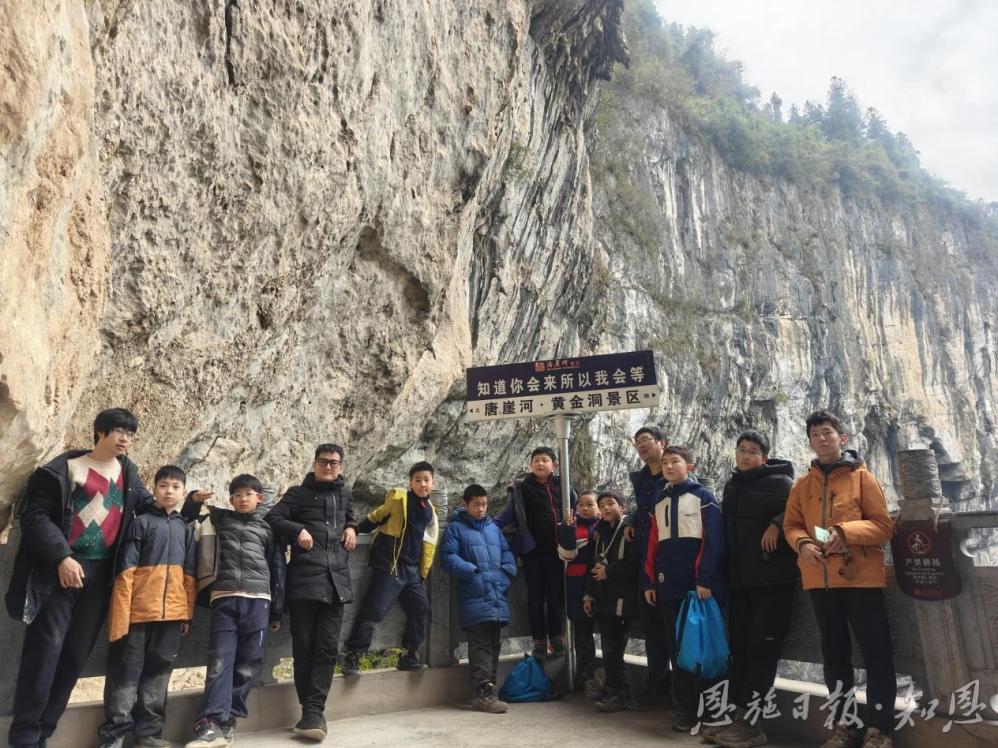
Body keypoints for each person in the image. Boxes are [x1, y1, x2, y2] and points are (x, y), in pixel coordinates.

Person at [5, 408, 157, 748]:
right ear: (100, 431)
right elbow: (36, 517)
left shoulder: (128, 473)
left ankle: (45, 732)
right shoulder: (64, 470)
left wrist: (187, 507)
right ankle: (25, 737)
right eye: (119, 431)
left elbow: (149, 507)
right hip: (60, 572)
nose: (125, 439)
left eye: (130, 434)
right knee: (45, 652)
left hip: (101, 577)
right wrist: (61, 556)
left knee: (75, 656)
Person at [783, 411, 896, 748]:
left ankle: (880, 730)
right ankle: (845, 726)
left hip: (860, 580)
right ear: (810, 442)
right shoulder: (802, 486)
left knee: (876, 654)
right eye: (815, 434)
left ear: (841, 438)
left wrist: (845, 532)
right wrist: (803, 544)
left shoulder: (863, 478)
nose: (822, 438)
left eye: (827, 432)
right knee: (834, 656)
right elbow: (791, 525)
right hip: (821, 581)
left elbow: (883, 526)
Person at [183, 473, 286, 748]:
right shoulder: (219, 520)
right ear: (230, 500)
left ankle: (228, 718)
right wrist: (193, 501)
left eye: (248, 494)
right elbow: (185, 521)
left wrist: (277, 610)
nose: (242, 499)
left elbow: (277, 567)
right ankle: (209, 723)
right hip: (225, 598)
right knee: (220, 660)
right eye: (237, 495)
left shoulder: (268, 528)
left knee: (250, 662)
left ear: (259, 498)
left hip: (259, 599)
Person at [97, 464, 197, 748]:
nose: (169, 491)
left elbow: (189, 576)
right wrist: (122, 614)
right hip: (138, 613)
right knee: (125, 673)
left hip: (171, 615)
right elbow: (125, 572)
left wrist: (186, 614)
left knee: (159, 674)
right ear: (154, 490)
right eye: (163, 485)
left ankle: (148, 735)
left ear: (183, 492)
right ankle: (114, 735)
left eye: (176, 487)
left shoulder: (184, 529)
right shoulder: (140, 523)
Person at [710, 430, 797, 748]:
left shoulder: (782, 482)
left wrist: (776, 523)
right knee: (741, 648)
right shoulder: (733, 486)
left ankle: (753, 724)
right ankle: (738, 716)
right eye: (741, 450)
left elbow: (800, 510)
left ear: (765, 457)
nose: (745, 456)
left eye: (753, 451)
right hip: (741, 581)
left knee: (762, 650)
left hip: (772, 581)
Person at [265, 444, 357, 742]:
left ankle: (314, 712)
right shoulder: (298, 494)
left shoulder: (345, 494)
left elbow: (351, 516)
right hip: (304, 584)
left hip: (336, 584)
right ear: (314, 464)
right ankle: (311, 712)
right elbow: (272, 518)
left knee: (327, 650)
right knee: (304, 649)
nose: (328, 467)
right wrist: (297, 530)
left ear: (341, 466)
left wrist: (352, 527)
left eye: (333, 462)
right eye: (323, 462)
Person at [643, 445, 725, 733]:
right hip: (668, 586)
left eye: (674, 461)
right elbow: (653, 544)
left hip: (697, 588)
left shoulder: (704, 498)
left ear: (689, 466)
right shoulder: (660, 500)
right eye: (665, 462)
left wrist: (705, 579)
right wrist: (650, 581)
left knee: (704, 647)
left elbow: (714, 541)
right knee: (677, 649)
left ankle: (712, 709)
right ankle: (686, 709)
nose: (668, 466)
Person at [342, 461, 440, 676]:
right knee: (374, 610)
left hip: (411, 570)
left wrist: (422, 570)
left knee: (420, 609)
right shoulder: (399, 499)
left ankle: (409, 655)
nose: (422, 484)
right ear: (410, 483)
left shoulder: (429, 510)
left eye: (426, 480)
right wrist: (353, 530)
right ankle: (353, 655)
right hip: (390, 565)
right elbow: (375, 517)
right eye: (418, 480)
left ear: (433, 483)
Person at [439, 484, 517, 713]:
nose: (481, 509)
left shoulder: (494, 529)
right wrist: (471, 571)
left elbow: (507, 553)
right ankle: (481, 693)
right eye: (476, 505)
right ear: (465, 504)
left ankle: (490, 690)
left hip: (496, 594)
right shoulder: (456, 528)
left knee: (494, 644)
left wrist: (507, 572)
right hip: (474, 595)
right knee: (480, 645)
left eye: (484, 504)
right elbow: (448, 557)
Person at [495, 447, 577, 659]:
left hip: (558, 552)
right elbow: (508, 515)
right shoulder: (523, 488)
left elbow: (577, 509)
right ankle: (539, 640)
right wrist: (487, 527)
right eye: (536, 460)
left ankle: (556, 637)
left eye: (545, 460)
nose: (540, 464)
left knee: (557, 596)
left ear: (554, 465)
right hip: (533, 552)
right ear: (530, 465)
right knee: (536, 598)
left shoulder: (563, 486)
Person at [625, 426, 671, 709]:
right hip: (645, 562)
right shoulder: (642, 479)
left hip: (670, 561)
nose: (641, 445)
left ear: (661, 443)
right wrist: (631, 520)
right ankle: (657, 689)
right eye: (637, 442)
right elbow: (643, 509)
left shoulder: (673, 473)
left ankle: (682, 696)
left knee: (673, 632)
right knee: (652, 630)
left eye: (646, 440)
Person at [583, 491, 639, 713]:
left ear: (622, 507)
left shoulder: (629, 530)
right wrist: (589, 595)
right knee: (609, 648)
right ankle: (617, 692)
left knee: (613, 648)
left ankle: (617, 692)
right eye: (602, 505)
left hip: (623, 599)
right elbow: (594, 564)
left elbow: (636, 562)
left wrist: (609, 571)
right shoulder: (600, 533)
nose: (606, 508)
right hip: (604, 598)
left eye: (611, 504)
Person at [557, 490, 599, 686]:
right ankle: (586, 675)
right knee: (582, 633)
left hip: (600, 585)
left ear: (598, 508)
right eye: (581, 505)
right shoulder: (572, 528)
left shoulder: (604, 526)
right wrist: (568, 528)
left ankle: (605, 679)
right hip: (576, 587)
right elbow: (566, 553)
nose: (585, 508)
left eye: (590, 504)